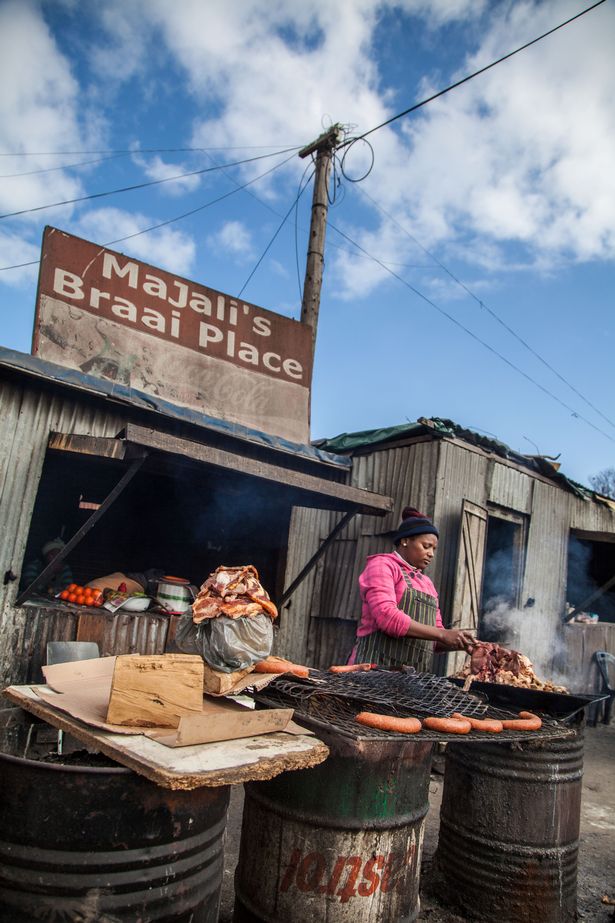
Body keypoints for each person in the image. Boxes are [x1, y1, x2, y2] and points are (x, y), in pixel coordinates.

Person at [351, 507, 474, 672]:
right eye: (426, 546)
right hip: (372, 670)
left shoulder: (427, 583)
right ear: (405, 541)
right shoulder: (382, 565)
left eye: (434, 549)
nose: (431, 554)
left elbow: (435, 639)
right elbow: (386, 616)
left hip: (411, 680)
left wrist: (466, 645)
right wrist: (443, 634)